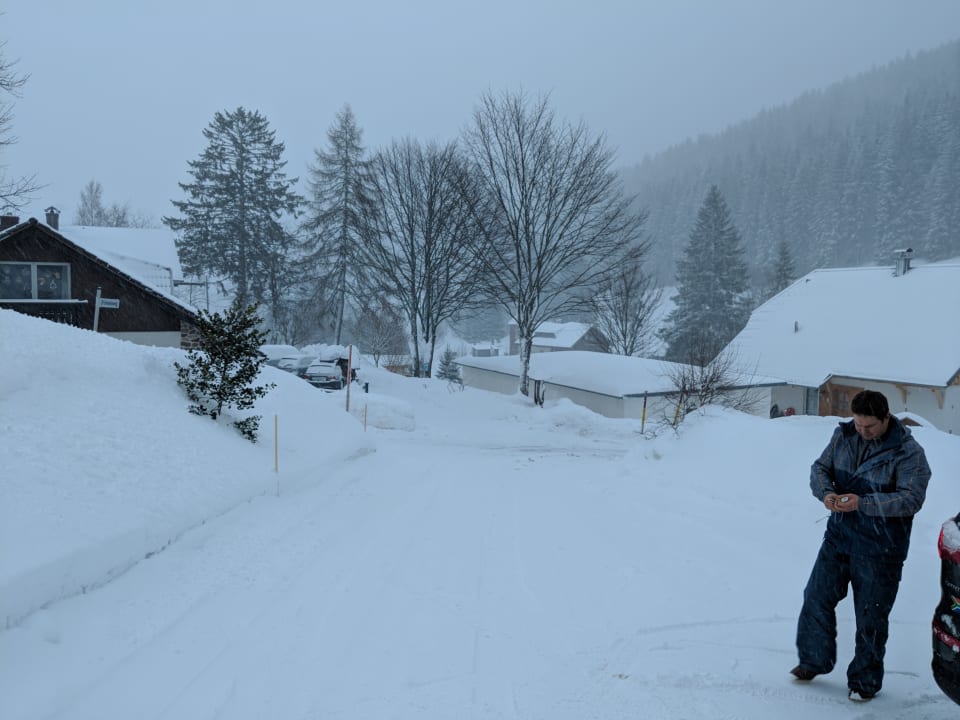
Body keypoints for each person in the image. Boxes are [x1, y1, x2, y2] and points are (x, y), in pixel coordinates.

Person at [791, 390, 931, 702]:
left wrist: (863, 503)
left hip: (881, 550)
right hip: (839, 538)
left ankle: (864, 682)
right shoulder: (843, 437)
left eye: (869, 426)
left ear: (885, 418)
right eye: (858, 424)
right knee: (815, 598)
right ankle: (812, 661)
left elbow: (911, 499)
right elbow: (819, 469)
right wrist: (826, 494)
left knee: (870, 617)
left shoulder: (909, 453)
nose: (863, 431)